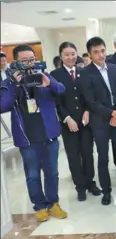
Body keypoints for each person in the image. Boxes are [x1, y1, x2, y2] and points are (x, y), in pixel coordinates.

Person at [0, 45, 68, 222]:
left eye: (32, 59)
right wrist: (15, 84)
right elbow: (4, 105)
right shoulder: (9, 82)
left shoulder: (43, 75)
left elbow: (61, 89)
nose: (29, 63)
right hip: (27, 139)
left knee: (52, 172)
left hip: (49, 135)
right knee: (32, 175)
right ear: (16, 62)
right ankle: (39, 206)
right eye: (25, 60)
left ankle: (53, 203)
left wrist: (49, 82)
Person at [50, 41, 101, 201]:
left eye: (73, 54)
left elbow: (89, 95)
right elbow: (57, 102)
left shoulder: (83, 71)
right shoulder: (55, 75)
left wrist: (87, 111)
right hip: (68, 123)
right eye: (66, 54)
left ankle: (90, 182)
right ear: (61, 56)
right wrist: (67, 118)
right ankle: (80, 186)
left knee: (87, 153)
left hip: (85, 122)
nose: (70, 57)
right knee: (73, 155)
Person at [80, 37, 116, 205]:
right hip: (100, 122)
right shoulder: (85, 73)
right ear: (90, 55)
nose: (100, 55)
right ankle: (106, 192)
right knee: (103, 159)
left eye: (102, 50)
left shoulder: (113, 68)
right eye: (96, 52)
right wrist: (111, 114)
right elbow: (91, 102)